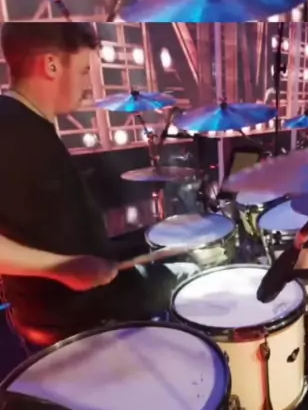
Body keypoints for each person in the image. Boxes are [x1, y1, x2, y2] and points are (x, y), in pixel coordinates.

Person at [0, 22, 178, 344]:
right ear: (51, 64)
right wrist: (60, 267)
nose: (87, 85)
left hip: (89, 288)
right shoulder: (7, 126)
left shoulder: (32, 123)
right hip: (68, 316)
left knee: (173, 261)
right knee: (180, 288)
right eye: (83, 71)